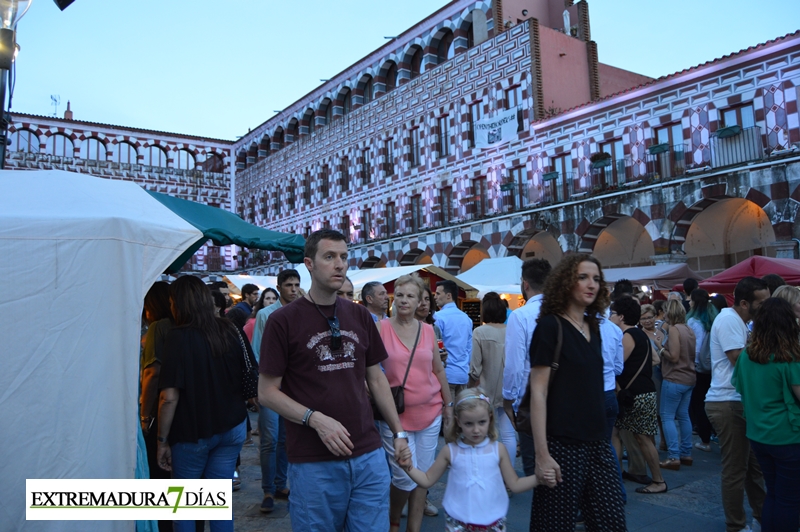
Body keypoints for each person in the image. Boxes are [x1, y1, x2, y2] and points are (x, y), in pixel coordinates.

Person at [258, 229, 410, 532]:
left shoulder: (360, 316)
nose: (339, 264)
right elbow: (267, 392)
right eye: (329, 257)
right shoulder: (282, 321)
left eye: (343, 257)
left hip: (368, 454)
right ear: (309, 264)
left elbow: (377, 380)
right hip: (314, 462)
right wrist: (314, 419)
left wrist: (399, 432)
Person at [529, 254, 626, 531]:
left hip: (598, 443)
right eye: (582, 277)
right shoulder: (550, 327)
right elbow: (538, 393)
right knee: (554, 525)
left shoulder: (593, 327)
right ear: (565, 282)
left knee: (612, 522)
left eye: (596, 278)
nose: (591, 284)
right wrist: (542, 454)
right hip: (562, 444)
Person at [156, 276, 248, 532]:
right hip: (231, 427)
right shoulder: (228, 329)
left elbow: (169, 397)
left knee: (184, 507)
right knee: (219, 504)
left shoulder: (178, 337)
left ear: (179, 304)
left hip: (192, 433)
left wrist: (162, 441)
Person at [401, 389, 550, 531]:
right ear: (458, 422)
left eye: (481, 422)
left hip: (492, 522)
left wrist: (538, 478)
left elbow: (515, 484)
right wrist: (408, 467)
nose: (476, 430)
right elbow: (427, 480)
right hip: (458, 522)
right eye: (469, 424)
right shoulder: (451, 451)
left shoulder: (498, 450)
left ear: (490, 419)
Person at [377, 273, 452, 532]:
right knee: (403, 477)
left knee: (424, 477)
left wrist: (449, 404)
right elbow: (369, 372)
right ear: (393, 298)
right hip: (396, 416)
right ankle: (394, 519)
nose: (404, 300)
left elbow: (438, 370)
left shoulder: (428, 330)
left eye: (410, 296)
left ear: (421, 300)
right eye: (399, 295)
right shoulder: (380, 329)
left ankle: (414, 528)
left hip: (430, 413)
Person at [705, 276, 769, 532]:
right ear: (744, 303)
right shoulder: (730, 320)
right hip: (727, 402)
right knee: (735, 469)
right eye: (761, 303)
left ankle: (762, 517)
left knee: (754, 468)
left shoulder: (739, 320)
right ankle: (736, 525)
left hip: (736, 401)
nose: (765, 307)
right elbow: (738, 360)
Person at [733, 297, 800, 532]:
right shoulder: (790, 357)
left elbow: (740, 387)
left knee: (773, 495)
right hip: (788, 436)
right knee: (790, 500)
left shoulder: (746, 355)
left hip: (759, 435)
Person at [251, 269, 300, 513]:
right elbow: (257, 351)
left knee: (284, 440)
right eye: (289, 285)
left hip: (293, 388)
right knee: (269, 439)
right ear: (279, 287)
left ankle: (281, 484)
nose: (293, 289)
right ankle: (268, 489)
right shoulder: (265, 314)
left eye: (296, 284)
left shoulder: (302, 312)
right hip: (271, 386)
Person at [609, 296, 667, 495]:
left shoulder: (628, 336)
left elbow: (617, 366)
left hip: (636, 395)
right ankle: (616, 477)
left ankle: (658, 480)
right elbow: (654, 359)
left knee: (643, 439)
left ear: (621, 316)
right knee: (619, 434)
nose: (610, 317)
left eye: (613, 313)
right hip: (642, 391)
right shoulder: (641, 334)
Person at [502, 258, 551, 476]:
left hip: (530, 400)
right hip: (563, 398)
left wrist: (508, 398)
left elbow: (514, 365)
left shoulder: (520, 316)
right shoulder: (562, 312)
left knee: (535, 467)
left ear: (525, 284)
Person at [140, 282, 174, 532]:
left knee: (157, 474)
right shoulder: (181, 326)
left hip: (158, 412)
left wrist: (143, 414)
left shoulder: (157, 328)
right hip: (183, 415)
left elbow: (153, 372)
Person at [468, 292, 515, 461]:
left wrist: (469, 387)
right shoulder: (511, 331)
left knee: (484, 431)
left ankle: (486, 469)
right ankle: (508, 474)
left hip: (484, 389)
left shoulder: (480, 332)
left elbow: (475, 367)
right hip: (509, 387)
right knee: (508, 434)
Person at [658, 299, 697, 470]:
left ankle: (673, 456)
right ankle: (686, 453)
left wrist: (659, 347)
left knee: (667, 416)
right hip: (689, 378)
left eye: (665, 312)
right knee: (683, 416)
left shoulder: (674, 330)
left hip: (674, 378)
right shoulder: (688, 329)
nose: (663, 315)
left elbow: (673, 356)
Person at [686, 289, 718, 453]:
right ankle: (715, 434)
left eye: (691, 300)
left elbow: (695, 349)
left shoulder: (693, 322)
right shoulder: (714, 318)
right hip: (714, 366)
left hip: (699, 368)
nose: (689, 302)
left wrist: (692, 364)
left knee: (699, 404)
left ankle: (705, 440)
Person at [434, 280, 473, 400]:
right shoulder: (466, 319)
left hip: (446, 374)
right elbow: (469, 349)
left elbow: (436, 348)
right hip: (462, 374)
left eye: (438, 293)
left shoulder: (438, 317)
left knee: (447, 414)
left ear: (448, 295)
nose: (435, 297)